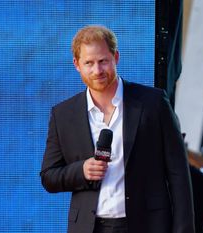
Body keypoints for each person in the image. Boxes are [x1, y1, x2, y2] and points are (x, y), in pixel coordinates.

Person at [40, 25, 194, 233]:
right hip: (89, 227)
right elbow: (49, 176)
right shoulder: (64, 114)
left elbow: (179, 174)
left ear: (116, 57)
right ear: (77, 64)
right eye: (89, 63)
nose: (97, 70)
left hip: (147, 225)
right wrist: (82, 170)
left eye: (103, 61)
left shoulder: (153, 103)